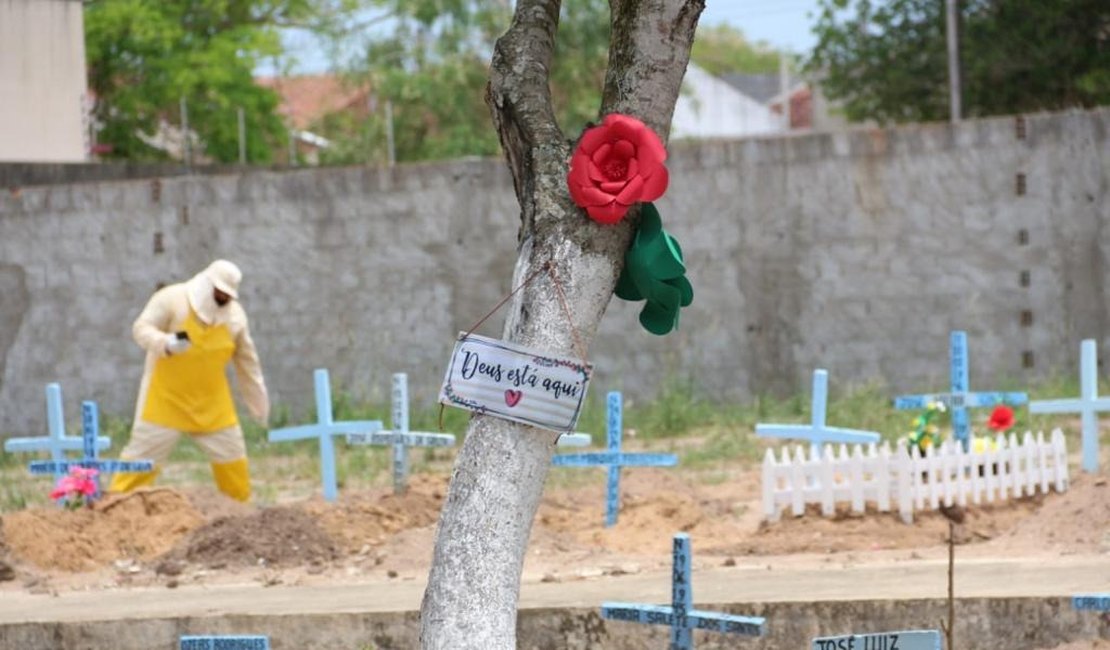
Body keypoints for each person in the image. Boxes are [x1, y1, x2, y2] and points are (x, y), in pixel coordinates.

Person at [108, 260, 269, 501]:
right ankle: (113, 507)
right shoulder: (171, 299)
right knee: (140, 462)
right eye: (218, 293)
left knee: (233, 461)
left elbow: (248, 362)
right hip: (164, 401)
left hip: (212, 405)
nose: (222, 298)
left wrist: (258, 403)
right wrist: (165, 343)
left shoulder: (235, 319)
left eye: (227, 295)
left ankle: (240, 515)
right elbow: (141, 328)